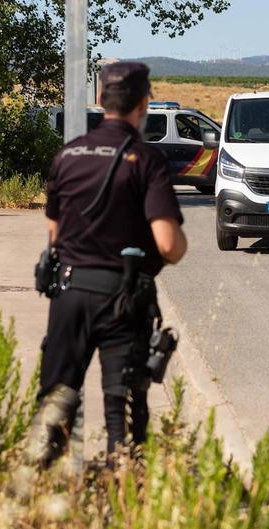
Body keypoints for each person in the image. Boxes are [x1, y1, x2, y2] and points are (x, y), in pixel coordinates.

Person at [24, 62, 187, 467]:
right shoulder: (146, 160)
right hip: (122, 300)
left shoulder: (68, 155)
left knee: (55, 401)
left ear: (101, 100)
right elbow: (169, 244)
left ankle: (38, 494)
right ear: (144, 103)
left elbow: (54, 235)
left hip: (70, 294)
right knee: (123, 413)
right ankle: (122, 494)